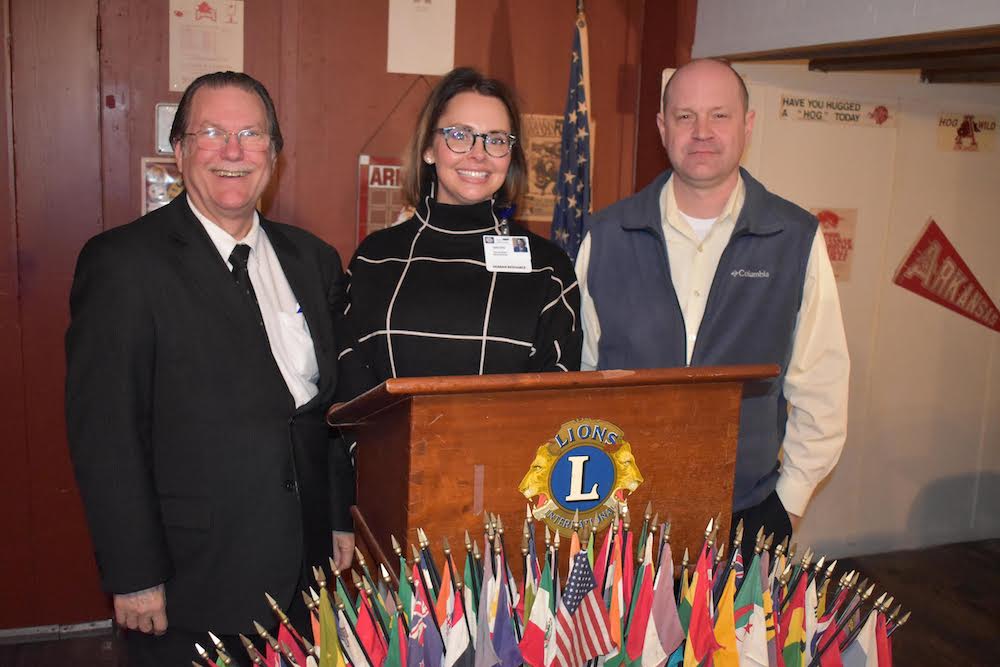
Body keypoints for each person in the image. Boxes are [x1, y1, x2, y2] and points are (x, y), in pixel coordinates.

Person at [66, 71, 355, 666]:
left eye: (251, 134)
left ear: (273, 155)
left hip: (304, 572)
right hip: (189, 577)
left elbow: (328, 414)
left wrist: (337, 520)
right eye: (212, 133)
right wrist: (133, 572)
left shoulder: (313, 260)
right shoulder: (123, 264)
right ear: (179, 151)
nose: (232, 151)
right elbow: (105, 433)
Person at [575, 59, 849, 561]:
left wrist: (787, 504)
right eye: (685, 117)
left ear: (747, 125)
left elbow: (821, 386)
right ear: (662, 128)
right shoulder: (606, 236)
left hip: (748, 515)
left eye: (719, 116)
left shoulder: (795, 239)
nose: (702, 132)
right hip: (618, 517)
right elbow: (583, 377)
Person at [337, 67, 581, 399]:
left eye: (496, 140)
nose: (478, 154)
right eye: (459, 134)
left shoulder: (548, 268)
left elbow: (555, 398)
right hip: (390, 451)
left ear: (510, 158)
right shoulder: (375, 257)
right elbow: (350, 386)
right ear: (428, 148)